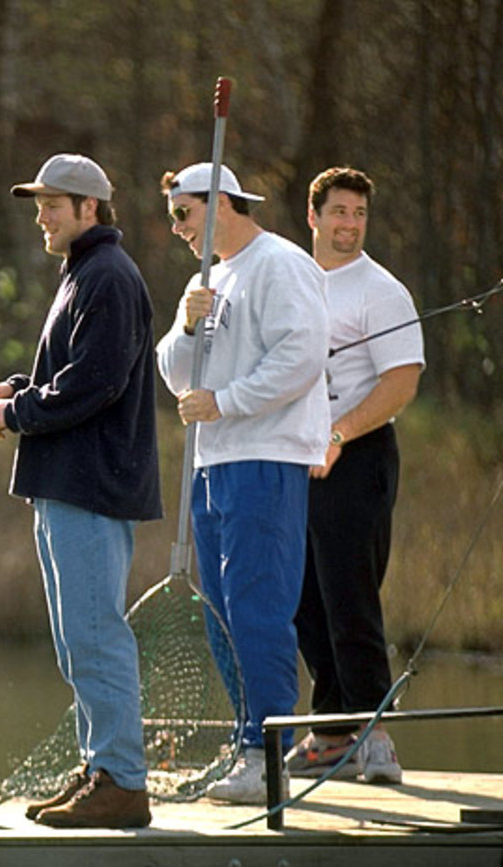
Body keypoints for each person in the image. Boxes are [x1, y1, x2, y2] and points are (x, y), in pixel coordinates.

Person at [0, 153, 162, 828]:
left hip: (90, 487)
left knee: (95, 633)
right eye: (39, 205)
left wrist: (18, 414)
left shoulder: (108, 276)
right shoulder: (83, 274)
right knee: (75, 639)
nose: (41, 216)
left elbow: (95, 385)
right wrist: (16, 390)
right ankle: (101, 768)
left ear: (91, 209)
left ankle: (123, 783)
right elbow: (75, 375)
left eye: (54, 205)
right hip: (63, 484)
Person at [155, 163, 329, 804]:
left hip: (266, 455)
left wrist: (227, 401)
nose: (175, 227)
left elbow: (303, 355)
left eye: (183, 213)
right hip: (213, 462)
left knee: (258, 605)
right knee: (222, 614)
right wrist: (186, 322)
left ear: (222, 203)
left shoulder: (278, 264)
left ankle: (269, 752)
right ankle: (246, 741)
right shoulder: (206, 279)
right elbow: (173, 374)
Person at [287, 167, 424, 785]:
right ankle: (331, 730)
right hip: (294, 453)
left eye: (359, 215)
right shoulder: (291, 278)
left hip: (358, 454)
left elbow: (402, 381)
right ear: (312, 216)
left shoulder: (381, 290)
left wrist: (339, 434)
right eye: (339, 213)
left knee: (349, 594)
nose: (349, 225)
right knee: (301, 597)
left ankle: (375, 738)